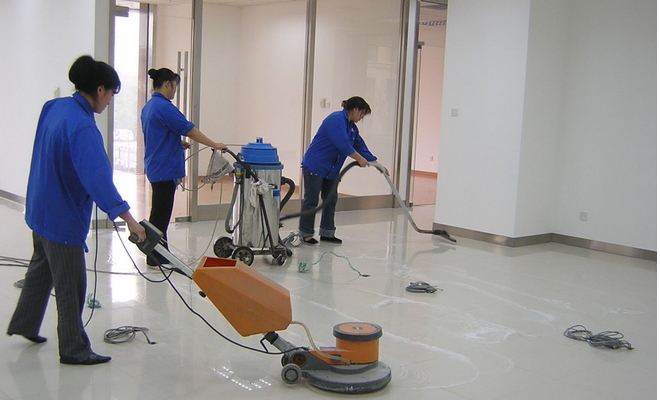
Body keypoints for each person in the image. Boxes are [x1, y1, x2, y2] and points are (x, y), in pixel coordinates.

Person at [7, 55, 147, 365]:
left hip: (40, 207)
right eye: (111, 94)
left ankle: (24, 324)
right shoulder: (83, 127)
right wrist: (129, 219)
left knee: (40, 270)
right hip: (61, 218)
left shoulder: (54, 107)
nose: (110, 101)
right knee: (71, 285)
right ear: (99, 90)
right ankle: (73, 349)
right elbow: (98, 179)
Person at [141, 68, 227, 266]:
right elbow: (189, 129)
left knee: (160, 213)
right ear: (168, 84)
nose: (174, 91)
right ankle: (155, 257)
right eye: (174, 86)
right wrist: (214, 144)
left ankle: (160, 254)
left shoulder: (149, 107)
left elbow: (157, 134)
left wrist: (176, 142)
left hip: (155, 166)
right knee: (160, 215)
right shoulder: (164, 107)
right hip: (164, 169)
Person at [299, 96, 388, 245]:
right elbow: (343, 144)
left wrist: (376, 164)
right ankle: (305, 234)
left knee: (330, 200)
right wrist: (359, 159)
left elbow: (360, 145)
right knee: (311, 200)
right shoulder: (336, 119)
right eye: (362, 114)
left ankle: (327, 232)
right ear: (355, 109)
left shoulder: (352, 128)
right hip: (316, 165)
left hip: (332, 170)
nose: (361, 117)